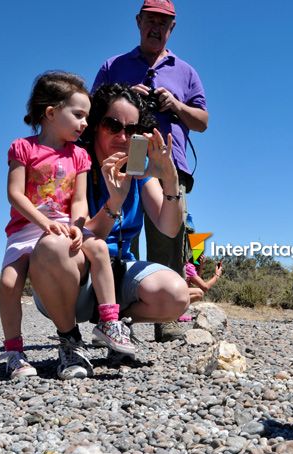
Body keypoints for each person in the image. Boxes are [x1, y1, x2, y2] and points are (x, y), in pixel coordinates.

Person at [29, 83, 189, 379]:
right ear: (95, 125)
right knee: (55, 246)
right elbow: (77, 238)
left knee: (176, 295)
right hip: (71, 274)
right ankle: (69, 341)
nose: (123, 137)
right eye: (113, 125)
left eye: (132, 129)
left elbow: (168, 227)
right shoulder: (73, 163)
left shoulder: (136, 170)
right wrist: (114, 203)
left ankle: (114, 323)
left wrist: (170, 180)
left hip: (116, 274)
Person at [0, 71, 134, 380]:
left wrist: (77, 225)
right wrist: (44, 222)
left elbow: (78, 200)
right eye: (78, 115)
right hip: (28, 228)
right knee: (8, 284)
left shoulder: (80, 156)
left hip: (65, 226)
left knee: (98, 247)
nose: (85, 123)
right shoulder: (23, 148)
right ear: (50, 113)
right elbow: (15, 194)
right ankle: (15, 352)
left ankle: (109, 322)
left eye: (86, 116)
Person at [92, 0, 208, 340]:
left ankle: (167, 318)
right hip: (121, 161)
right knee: (122, 233)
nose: (156, 27)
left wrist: (175, 105)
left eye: (164, 22)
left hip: (167, 162)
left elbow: (202, 121)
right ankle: (116, 310)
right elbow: (92, 105)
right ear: (139, 21)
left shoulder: (185, 71)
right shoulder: (114, 65)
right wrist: (127, 97)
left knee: (168, 235)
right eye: (151, 20)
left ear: (172, 28)